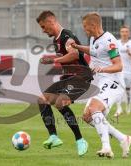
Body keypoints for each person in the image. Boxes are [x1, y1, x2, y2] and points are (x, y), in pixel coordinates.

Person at [72, 12, 131, 158]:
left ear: (93, 25)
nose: (85, 30)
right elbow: (94, 51)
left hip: (113, 82)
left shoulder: (109, 40)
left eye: (86, 27)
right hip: (101, 81)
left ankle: (106, 147)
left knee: (94, 108)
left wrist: (102, 69)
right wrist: (77, 47)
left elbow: (119, 66)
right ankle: (123, 138)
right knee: (87, 117)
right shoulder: (93, 38)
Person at [36, 10, 93, 156]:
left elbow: (73, 53)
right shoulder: (56, 40)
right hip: (68, 79)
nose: (43, 30)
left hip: (81, 78)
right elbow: (67, 57)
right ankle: (53, 137)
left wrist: (53, 60)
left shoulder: (66, 36)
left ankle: (80, 140)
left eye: (43, 26)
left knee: (60, 101)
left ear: (51, 21)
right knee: (43, 100)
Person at [114, 25, 131, 116]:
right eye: (122, 32)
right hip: (119, 70)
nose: (124, 33)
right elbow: (112, 56)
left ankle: (128, 106)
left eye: (126, 32)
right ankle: (119, 109)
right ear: (120, 33)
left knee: (128, 91)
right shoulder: (116, 43)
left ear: (128, 33)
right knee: (118, 90)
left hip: (129, 71)